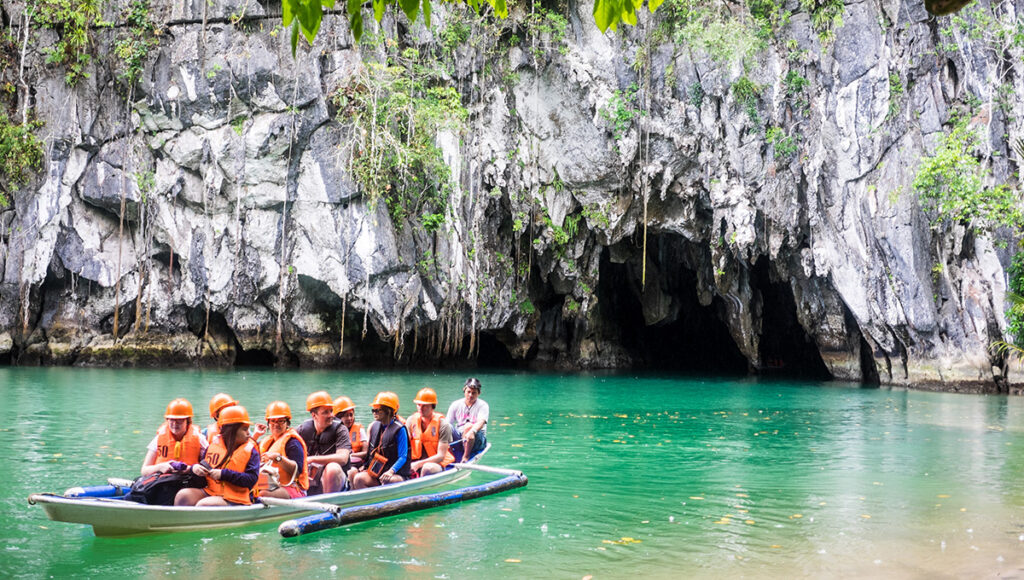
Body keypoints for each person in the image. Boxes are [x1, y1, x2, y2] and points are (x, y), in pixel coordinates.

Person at [174, 405, 260, 506]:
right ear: (231, 430)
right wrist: (195, 469)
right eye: (245, 429)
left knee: (204, 504)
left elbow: (251, 480)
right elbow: (202, 469)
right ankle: (179, 521)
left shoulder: (252, 451)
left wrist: (223, 474)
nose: (248, 434)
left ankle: (196, 521)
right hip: (211, 491)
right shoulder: (213, 446)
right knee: (182, 495)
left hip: (237, 497)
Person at [295, 391, 350, 495]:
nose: (331, 415)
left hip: (335, 479)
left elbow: (343, 458)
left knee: (332, 468)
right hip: (310, 477)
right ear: (314, 415)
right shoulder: (301, 430)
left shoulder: (341, 430)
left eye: (331, 411)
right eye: (325, 412)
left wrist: (312, 459)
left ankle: (328, 504)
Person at [351, 392, 410, 489]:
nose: (374, 412)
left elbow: (403, 457)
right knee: (359, 478)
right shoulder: (374, 426)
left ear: (389, 411)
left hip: (395, 473)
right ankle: (368, 503)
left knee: (389, 480)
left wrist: (391, 471)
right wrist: (365, 466)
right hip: (378, 472)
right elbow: (371, 452)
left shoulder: (400, 429)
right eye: (373, 410)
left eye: (378, 410)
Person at [252, 401, 309, 499]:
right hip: (271, 484)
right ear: (268, 424)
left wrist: (278, 458)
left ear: (287, 424)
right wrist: (255, 436)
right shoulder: (266, 442)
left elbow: (297, 472)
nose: (276, 424)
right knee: (249, 491)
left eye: (280, 421)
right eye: (272, 421)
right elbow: (247, 456)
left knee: (263, 494)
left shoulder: (293, 442)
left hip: (293, 487)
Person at [141, 398, 208, 476]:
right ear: (167, 420)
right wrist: (159, 467)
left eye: (179, 420)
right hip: (163, 482)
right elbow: (144, 471)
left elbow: (209, 468)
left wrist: (190, 469)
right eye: (171, 420)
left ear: (187, 421)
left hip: (188, 481)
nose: (175, 424)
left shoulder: (199, 439)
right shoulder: (159, 438)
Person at [407, 388, 454, 477]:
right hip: (415, 461)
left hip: (436, 464)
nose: (420, 408)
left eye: (424, 405)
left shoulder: (443, 425)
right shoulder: (411, 421)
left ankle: (419, 485)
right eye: (418, 405)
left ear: (433, 406)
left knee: (427, 468)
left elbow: (441, 456)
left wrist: (418, 464)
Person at [447, 377, 489, 462]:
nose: (470, 395)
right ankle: (449, 454)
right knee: (445, 426)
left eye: (474, 393)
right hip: (460, 437)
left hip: (477, 438)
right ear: (464, 391)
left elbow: (481, 422)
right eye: (468, 392)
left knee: (468, 426)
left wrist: (472, 431)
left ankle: (465, 457)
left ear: (479, 393)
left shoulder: (483, 405)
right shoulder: (455, 404)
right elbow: (448, 423)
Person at [334, 395, 366, 464]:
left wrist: (349, 456)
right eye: (345, 416)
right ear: (338, 417)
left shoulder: (359, 429)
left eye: (351, 415)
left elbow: (366, 452)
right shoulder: (332, 430)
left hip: (355, 464)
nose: (349, 418)